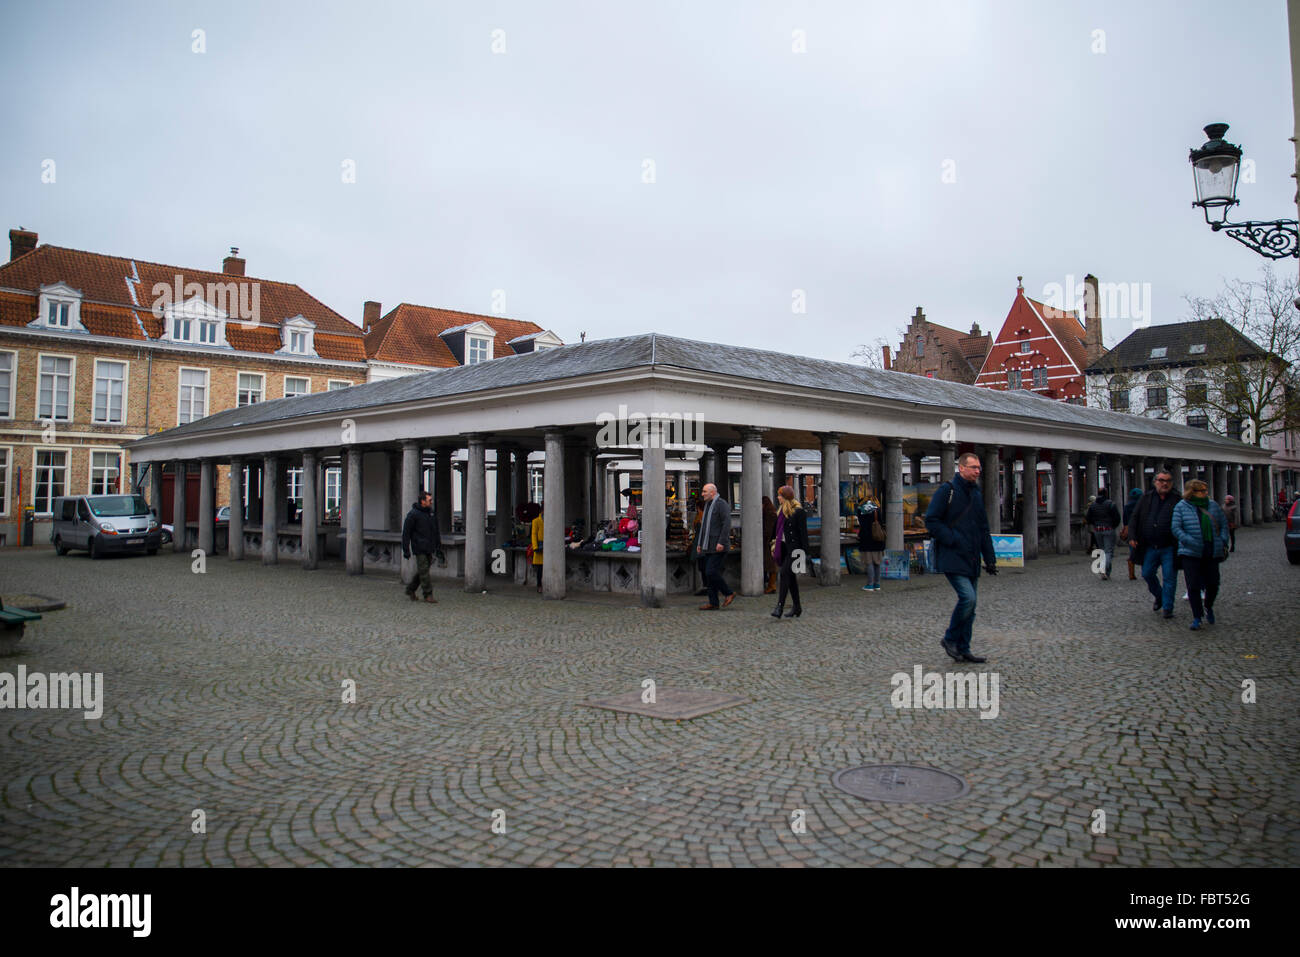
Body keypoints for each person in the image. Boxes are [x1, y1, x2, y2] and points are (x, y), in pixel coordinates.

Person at [924, 452, 997, 663]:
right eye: (973, 467)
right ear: (961, 468)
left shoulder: (976, 494)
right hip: (953, 555)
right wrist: (952, 538)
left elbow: (983, 528)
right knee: (968, 598)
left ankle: (964, 647)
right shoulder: (947, 490)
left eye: (979, 468)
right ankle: (950, 639)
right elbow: (932, 520)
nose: (977, 471)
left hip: (972, 557)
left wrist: (990, 558)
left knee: (971, 607)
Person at [1172, 479, 1229, 630]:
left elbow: (1223, 524)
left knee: (1213, 583)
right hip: (1190, 551)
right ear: (1192, 492)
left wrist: (1222, 540)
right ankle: (1197, 616)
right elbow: (1176, 528)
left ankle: (1208, 606)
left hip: (1211, 550)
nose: (1205, 493)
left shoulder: (1213, 506)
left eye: (1205, 490)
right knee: (1193, 585)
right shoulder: (1181, 507)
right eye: (1202, 491)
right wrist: (1188, 540)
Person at [1129, 469, 1179, 619]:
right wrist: (1132, 535)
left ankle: (1168, 608)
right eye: (1161, 480)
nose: (1165, 483)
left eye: (1168, 481)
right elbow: (1135, 517)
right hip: (1150, 545)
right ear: (1155, 482)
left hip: (1169, 546)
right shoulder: (1147, 498)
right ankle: (1160, 596)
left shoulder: (1177, 499)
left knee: (1170, 577)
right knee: (1147, 573)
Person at [692, 483, 735, 610]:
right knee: (709, 573)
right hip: (708, 545)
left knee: (710, 571)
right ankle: (713, 602)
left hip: (718, 546)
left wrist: (721, 542)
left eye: (705, 491)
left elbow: (726, 524)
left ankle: (729, 592)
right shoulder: (708, 505)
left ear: (712, 492)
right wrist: (700, 543)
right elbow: (704, 527)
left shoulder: (721, 504)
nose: (702, 494)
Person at [771, 485, 809, 618]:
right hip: (784, 548)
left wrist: (805, 554)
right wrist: (773, 545)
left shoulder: (799, 512)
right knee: (790, 578)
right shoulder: (781, 511)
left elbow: (803, 534)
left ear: (785, 497)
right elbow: (776, 531)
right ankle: (797, 607)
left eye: (780, 495)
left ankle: (779, 607)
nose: (778, 497)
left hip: (795, 550)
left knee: (784, 574)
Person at [400, 490, 441, 603]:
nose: (431, 502)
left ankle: (410, 589)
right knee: (424, 571)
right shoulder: (413, 515)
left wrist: (438, 545)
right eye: (429, 500)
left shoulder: (431, 513)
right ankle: (428, 594)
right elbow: (406, 533)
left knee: (423, 571)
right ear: (423, 501)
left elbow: (435, 530)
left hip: (429, 546)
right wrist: (406, 549)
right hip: (419, 547)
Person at [1085, 487, 1122, 580]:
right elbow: (1117, 518)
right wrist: (1113, 526)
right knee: (1108, 551)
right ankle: (1104, 569)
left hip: (1097, 530)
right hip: (1108, 529)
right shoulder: (1111, 504)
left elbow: (1088, 518)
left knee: (1102, 550)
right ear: (1106, 493)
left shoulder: (1093, 506)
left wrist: (1095, 524)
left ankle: (1106, 573)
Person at [857, 501, 886, 592]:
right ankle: (877, 583)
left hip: (867, 541)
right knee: (877, 563)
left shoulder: (861, 511)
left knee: (869, 562)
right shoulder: (877, 510)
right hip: (878, 540)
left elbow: (862, 525)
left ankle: (870, 584)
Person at [1120, 487, 1143, 580]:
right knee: (1144, 550)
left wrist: (1125, 528)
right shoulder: (1143, 505)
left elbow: (1125, 520)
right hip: (1142, 530)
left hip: (1131, 531)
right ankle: (1144, 571)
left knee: (1132, 551)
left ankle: (1131, 574)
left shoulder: (1127, 506)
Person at [762, 495, 778, 594]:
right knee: (769, 564)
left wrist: (764, 539)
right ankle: (770, 585)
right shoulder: (770, 513)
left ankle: (772, 585)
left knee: (771, 565)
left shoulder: (769, 514)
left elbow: (768, 529)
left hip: (769, 542)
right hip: (770, 541)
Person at [530, 504, 545, 593]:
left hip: (548, 545)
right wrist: (535, 546)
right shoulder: (536, 521)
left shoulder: (550, 520)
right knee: (540, 568)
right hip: (540, 545)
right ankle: (539, 585)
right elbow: (534, 534)